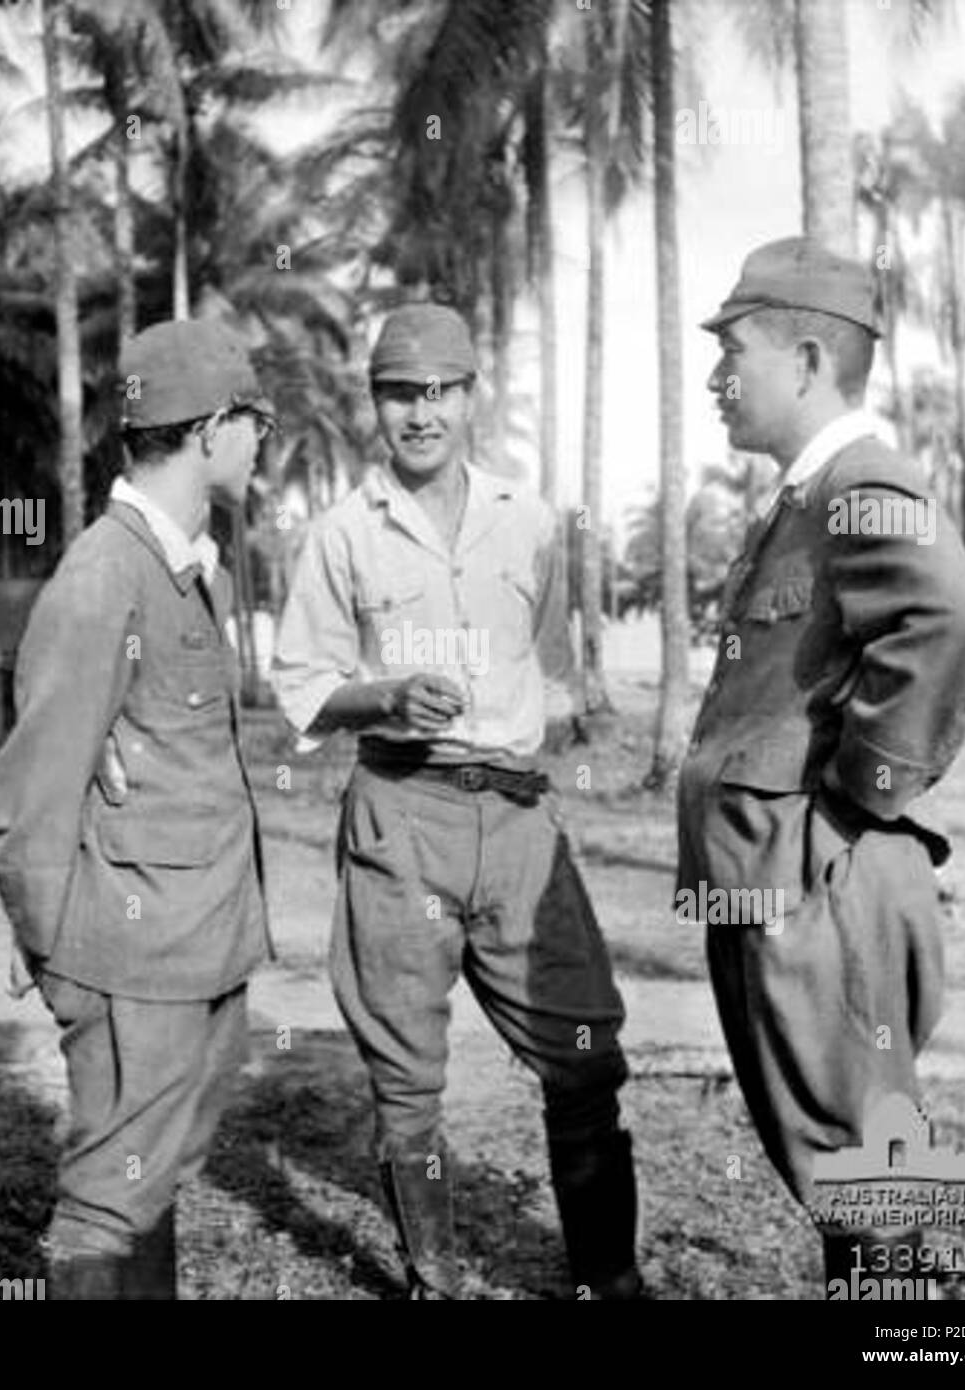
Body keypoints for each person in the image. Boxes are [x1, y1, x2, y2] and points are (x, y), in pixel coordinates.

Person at [272, 303, 641, 1300]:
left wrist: (527, 731)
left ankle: (611, 1282)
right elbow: (303, 684)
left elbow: (556, 668)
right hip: (402, 815)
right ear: (375, 404)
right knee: (407, 1086)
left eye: (440, 391)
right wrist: (383, 698)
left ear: (473, 397)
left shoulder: (528, 520)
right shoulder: (344, 534)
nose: (421, 414)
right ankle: (433, 1277)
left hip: (519, 822)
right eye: (399, 394)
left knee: (585, 1059)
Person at [681, 237, 965, 1295]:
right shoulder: (803, 498)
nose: (716, 379)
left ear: (810, 359)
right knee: (851, 1169)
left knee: (870, 1174)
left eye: (735, 353)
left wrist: (854, 800)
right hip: (781, 876)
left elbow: (956, 620)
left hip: (818, 881)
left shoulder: (857, 481)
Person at [0, 318, 275, 1299]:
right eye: (254, 420)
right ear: (210, 428)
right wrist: (61, 958)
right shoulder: (104, 576)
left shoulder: (193, 565)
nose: (261, 440)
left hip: (196, 947)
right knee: (111, 1194)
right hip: (128, 962)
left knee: (155, 1177)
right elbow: (29, 795)